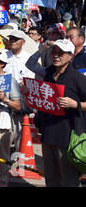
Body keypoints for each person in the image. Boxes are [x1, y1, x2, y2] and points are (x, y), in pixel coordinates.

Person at [24, 39, 86, 187]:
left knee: (68, 179)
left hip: (69, 137)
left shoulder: (78, 78)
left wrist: (75, 104)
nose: (56, 56)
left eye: (61, 53)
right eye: (54, 52)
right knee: (51, 178)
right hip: (48, 133)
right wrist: (42, 49)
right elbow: (30, 65)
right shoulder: (48, 72)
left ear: (71, 56)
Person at [0, 50, 22, 187]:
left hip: (3, 120)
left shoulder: (11, 80)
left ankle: (2, 182)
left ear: (2, 64)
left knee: (2, 155)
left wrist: (5, 99)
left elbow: (18, 106)